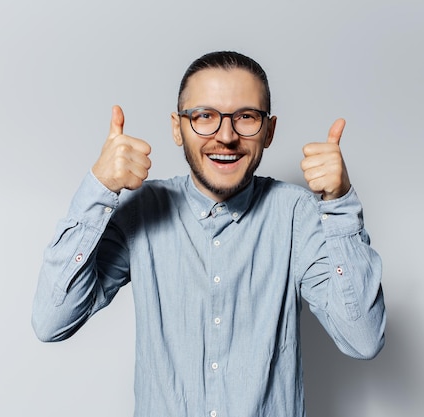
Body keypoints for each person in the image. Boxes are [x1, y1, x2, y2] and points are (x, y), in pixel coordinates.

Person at [32, 50, 386, 417]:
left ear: (269, 130)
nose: (226, 136)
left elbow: (364, 339)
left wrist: (340, 204)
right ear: (177, 127)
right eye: (205, 116)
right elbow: (51, 321)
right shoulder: (142, 210)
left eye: (246, 117)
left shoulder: (297, 214)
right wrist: (98, 188)